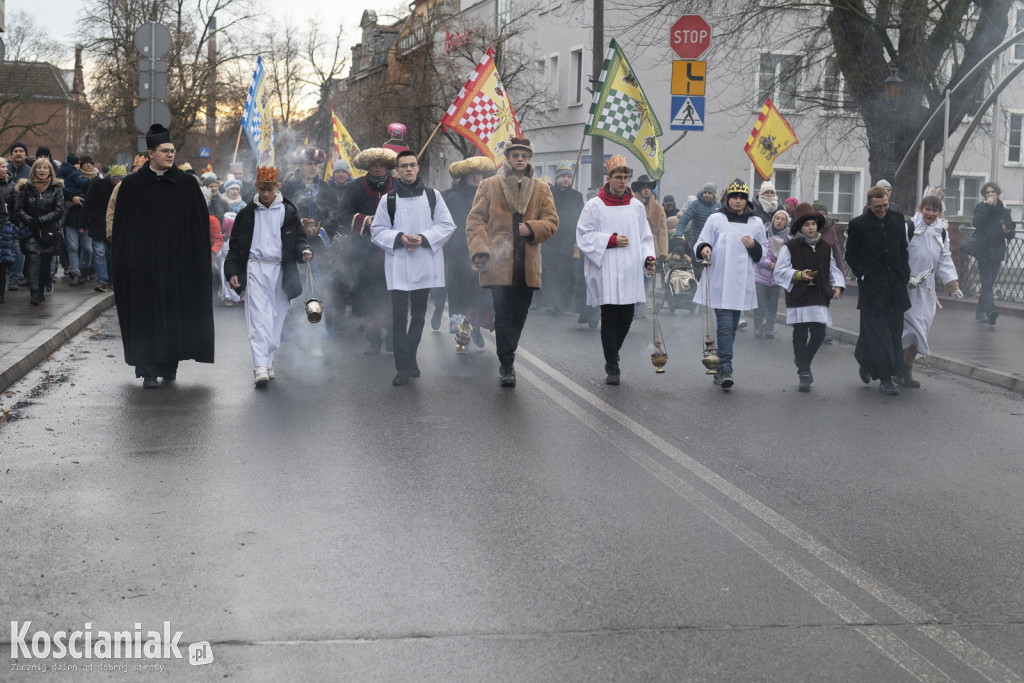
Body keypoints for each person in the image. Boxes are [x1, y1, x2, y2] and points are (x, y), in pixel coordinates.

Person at [111, 124, 215, 388]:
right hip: (141, 268)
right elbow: (122, 229)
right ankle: (147, 371)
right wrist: (123, 265)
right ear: (150, 153)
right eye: (165, 151)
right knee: (145, 318)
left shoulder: (186, 184)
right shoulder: (132, 185)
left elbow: (199, 228)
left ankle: (170, 366)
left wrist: (197, 263)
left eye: (173, 151)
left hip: (176, 267)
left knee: (174, 317)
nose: (171, 155)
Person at [466, 136, 558, 387]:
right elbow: (475, 222)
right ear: (507, 158)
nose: (519, 159)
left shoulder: (542, 188)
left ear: (529, 159)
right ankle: (507, 363)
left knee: (519, 314)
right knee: (504, 314)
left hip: (527, 265)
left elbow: (552, 222)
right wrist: (481, 250)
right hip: (498, 262)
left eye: (524, 155)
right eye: (515, 155)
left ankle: (508, 353)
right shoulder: (489, 185)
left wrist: (532, 228)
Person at [370, 150, 457, 385]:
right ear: (397, 171)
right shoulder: (388, 200)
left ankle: (411, 358)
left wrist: (423, 238)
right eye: (403, 166)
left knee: (418, 315)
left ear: (418, 168)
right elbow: (377, 230)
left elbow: (447, 225)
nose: (408, 169)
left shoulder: (432, 197)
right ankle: (402, 366)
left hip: (424, 262)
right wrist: (399, 237)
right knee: (399, 316)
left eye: (412, 165)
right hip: (398, 263)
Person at [224, 166, 313, 387]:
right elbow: (234, 245)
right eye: (262, 188)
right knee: (259, 318)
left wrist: (303, 250)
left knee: (276, 320)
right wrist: (232, 270)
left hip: (281, 270)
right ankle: (260, 366)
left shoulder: (289, 212)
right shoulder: (246, 213)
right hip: (255, 268)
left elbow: (299, 238)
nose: (265, 193)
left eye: (270, 189)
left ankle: (268, 359)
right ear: (256, 186)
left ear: (277, 186)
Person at [576, 155, 657, 384]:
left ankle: (613, 352)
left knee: (627, 317)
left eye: (625, 177)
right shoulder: (595, 205)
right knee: (610, 316)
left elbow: (644, 238)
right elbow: (583, 236)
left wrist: (648, 257)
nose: (622, 181)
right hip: (607, 269)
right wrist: (610, 240)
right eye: (618, 177)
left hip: (631, 268)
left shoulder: (636, 206)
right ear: (608, 178)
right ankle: (612, 364)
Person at [693, 179, 769, 389]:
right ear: (727, 199)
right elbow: (701, 240)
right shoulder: (716, 219)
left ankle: (720, 365)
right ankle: (726, 367)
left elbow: (762, 252)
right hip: (720, 279)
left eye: (742, 197)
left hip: (741, 282)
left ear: (746, 200)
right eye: (734, 197)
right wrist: (705, 248)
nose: (738, 201)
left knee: (732, 327)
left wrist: (753, 245)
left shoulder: (756, 223)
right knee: (725, 326)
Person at [844, 186, 911, 396]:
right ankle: (885, 379)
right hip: (872, 288)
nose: (882, 210)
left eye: (885, 205)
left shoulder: (898, 220)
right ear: (868, 205)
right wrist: (863, 274)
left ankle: (864, 358)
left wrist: (905, 273)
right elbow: (851, 255)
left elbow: (903, 249)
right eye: (877, 207)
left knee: (893, 332)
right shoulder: (858, 224)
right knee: (879, 334)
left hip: (895, 286)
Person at [773, 203, 845, 391]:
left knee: (819, 333)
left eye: (813, 224)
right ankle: (804, 372)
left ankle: (803, 359)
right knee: (800, 334)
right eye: (807, 225)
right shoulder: (790, 246)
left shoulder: (824, 246)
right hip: (799, 296)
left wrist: (837, 285)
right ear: (800, 227)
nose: (811, 228)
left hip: (819, 295)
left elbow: (832, 267)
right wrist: (798, 275)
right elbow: (780, 271)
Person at [900, 192, 964, 387]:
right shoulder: (909, 227)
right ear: (921, 209)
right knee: (911, 329)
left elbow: (944, 259)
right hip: (907, 287)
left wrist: (952, 285)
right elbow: (898, 254)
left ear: (939, 212)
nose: (931, 213)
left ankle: (906, 370)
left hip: (927, 290)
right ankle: (898, 369)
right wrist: (906, 276)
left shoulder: (941, 232)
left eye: (935, 210)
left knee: (921, 329)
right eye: (927, 209)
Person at [338, 146, 397, 354]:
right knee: (368, 295)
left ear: (388, 167)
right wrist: (365, 220)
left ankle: (392, 337)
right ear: (367, 167)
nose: (378, 169)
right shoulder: (355, 187)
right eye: (374, 165)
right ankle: (373, 340)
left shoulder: (398, 186)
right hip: (365, 250)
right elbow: (343, 216)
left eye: (382, 165)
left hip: (393, 250)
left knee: (393, 295)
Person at [442, 155, 495, 347]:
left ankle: (477, 328)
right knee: (462, 297)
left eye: (479, 173)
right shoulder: (453, 199)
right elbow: (448, 227)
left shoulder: (490, 196)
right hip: (459, 256)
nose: (476, 177)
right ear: (464, 177)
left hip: (484, 255)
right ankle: (463, 335)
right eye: (472, 174)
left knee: (482, 297)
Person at [13, 158, 64, 305]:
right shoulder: (25, 188)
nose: (42, 170)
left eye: (45, 168)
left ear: (50, 171)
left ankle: (41, 289)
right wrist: (30, 220)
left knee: (45, 263)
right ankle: (34, 292)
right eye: (39, 168)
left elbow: (59, 210)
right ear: (34, 170)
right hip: (30, 230)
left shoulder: (56, 189)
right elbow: (18, 209)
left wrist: (41, 220)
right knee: (34, 259)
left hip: (49, 232)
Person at [971, 182, 1016, 325]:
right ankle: (990, 312)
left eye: (992, 192)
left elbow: (1011, 234)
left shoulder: (1004, 212)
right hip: (983, 251)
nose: (989, 194)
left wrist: (1008, 231)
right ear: (984, 195)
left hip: (997, 252)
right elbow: (977, 223)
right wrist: (987, 206)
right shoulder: (981, 208)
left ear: (997, 193)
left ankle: (979, 312)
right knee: (987, 283)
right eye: (987, 193)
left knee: (988, 284)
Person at [544, 160, 584, 315]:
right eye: (563, 176)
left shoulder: (577, 196)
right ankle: (551, 301)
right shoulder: (547, 194)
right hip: (550, 241)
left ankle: (563, 303)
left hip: (568, 242)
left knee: (565, 274)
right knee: (551, 273)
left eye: (568, 176)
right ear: (557, 178)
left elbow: (581, 219)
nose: (566, 179)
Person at [82, 164, 126, 293]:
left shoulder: (125, 188)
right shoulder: (98, 185)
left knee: (111, 254)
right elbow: (88, 203)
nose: (118, 182)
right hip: (98, 225)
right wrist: (83, 223)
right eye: (116, 179)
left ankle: (111, 279)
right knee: (100, 253)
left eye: (121, 179)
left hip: (115, 227)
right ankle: (102, 280)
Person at [753, 209, 789, 339]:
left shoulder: (788, 239)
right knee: (760, 303)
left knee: (773, 304)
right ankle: (757, 327)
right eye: (777, 218)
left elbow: (788, 259)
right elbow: (756, 254)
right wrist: (769, 264)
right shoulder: (763, 233)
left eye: (782, 219)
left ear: (786, 223)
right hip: (760, 276)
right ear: (773, 219)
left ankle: (769, 328)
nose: (779, 221)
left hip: (775, 278)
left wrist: (780, 265)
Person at [677, 182, 720, 252]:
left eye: (710, 193)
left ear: (714, 194)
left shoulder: (718, 206)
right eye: (705, 192)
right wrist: (678, 234)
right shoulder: (696, 204)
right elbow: (684, 219)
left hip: (713, 243)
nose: (707, 195)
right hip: (697, 242)